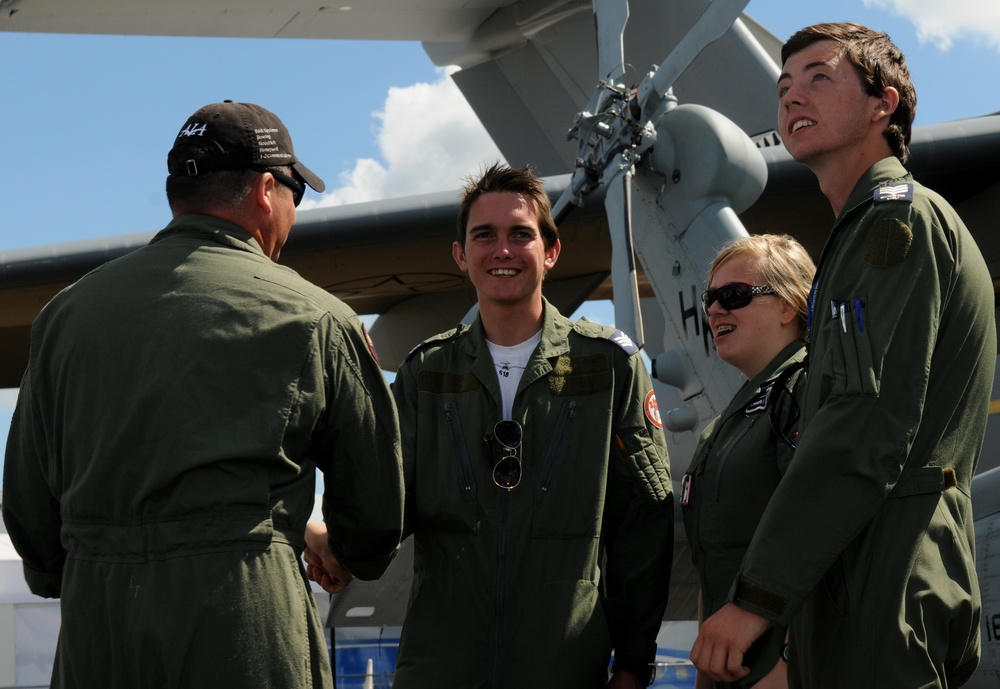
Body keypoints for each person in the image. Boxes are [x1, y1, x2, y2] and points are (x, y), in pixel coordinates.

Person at [2, 100, 405, 689]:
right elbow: (373, 522)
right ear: (267, 189)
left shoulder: (63, 317)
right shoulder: (317, 316)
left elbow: (33, 527)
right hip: (245, 624)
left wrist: (107, 568)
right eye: (297, 191)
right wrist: (332, 548)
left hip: (100, 628)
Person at [690, 23, 996, 689]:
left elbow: (864, 423)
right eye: (785, 87)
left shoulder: (894, 223)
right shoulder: (862, 235)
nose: (793, 98)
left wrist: (756, 599)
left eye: (819, 78)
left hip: (881, 585)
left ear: (883, 104)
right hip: (864, 584)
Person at [306, 163, 674, 688]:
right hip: (440, 671)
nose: (502, 249)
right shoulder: (426, 373)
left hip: (563, 670)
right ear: (461, 255)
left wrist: (635, 663)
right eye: (484, 235)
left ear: (550, 251)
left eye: (520, 234)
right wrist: (337, 546)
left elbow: (643, 526)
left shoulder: (609, 368)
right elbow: (386, 502)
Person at [682, 234, 815, 689]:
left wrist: (788, 665)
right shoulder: (728, 423)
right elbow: (715, 563)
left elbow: (829, 536)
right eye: (711, 299)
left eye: (734, 296)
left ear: (789, 304)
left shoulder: (810, 391)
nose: (716, 310)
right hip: (734, 671)